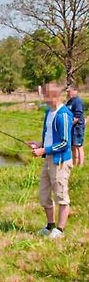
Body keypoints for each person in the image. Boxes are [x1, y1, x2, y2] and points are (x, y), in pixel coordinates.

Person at [30, 81, 73, 239]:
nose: (44, 99)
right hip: (48, 159)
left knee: (61, 196)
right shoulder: (49, 112)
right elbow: (50, 137)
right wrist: (39, 144)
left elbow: (65, 143)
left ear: (54, 96)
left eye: (46, 96)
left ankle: (60, 230)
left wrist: (44, 150)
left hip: (60, 161)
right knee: (44, 195)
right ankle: (50, 226)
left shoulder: (63, 115)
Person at [65, 85, 85, 166]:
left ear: (75, 91)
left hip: (77, 127)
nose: (68, 93)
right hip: (71, 127)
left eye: (69, 91)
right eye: (67, 92)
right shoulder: (69, 102)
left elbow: (77, 116)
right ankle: (74, 163)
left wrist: (68, 125)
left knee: (78, 146)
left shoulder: (78, 101)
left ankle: (81, 165)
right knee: (73, 146)